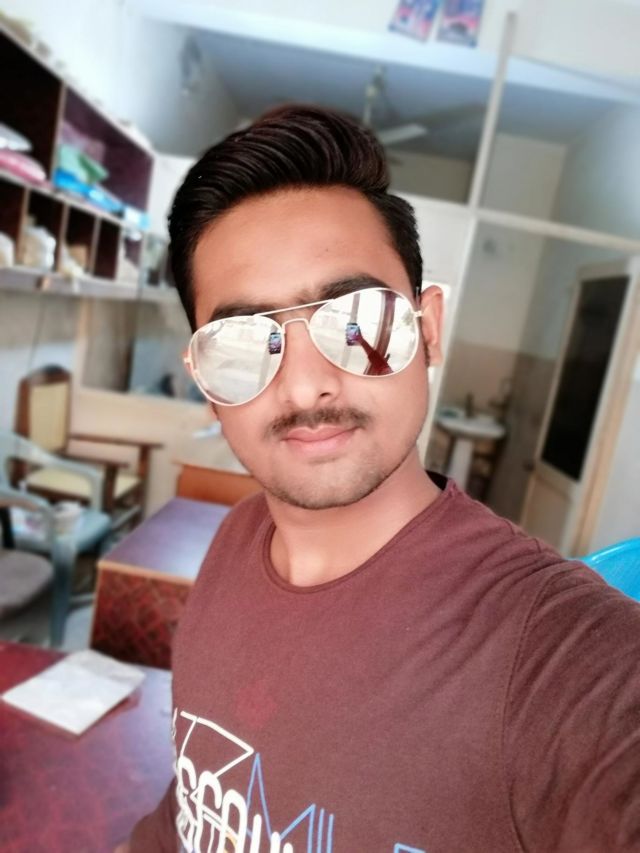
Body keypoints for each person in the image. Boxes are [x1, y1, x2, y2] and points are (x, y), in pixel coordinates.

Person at [123, 106, 640, 853]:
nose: (306, 385)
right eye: (242, 342)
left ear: (428, 330)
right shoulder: (235, 540)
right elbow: (192, 804)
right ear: (206, 380)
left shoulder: (558, 656)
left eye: (357, 319)